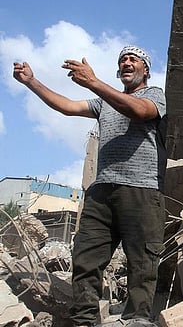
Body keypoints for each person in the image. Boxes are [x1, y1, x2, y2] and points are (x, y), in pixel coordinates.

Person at [13, 45, 168, 326]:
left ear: (146, 69)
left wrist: (94, 82)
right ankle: (84, 321)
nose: (126, 63)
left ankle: (136, 320)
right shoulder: (104, 103)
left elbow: (140, 112)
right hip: (101, 191)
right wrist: (31, 82)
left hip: (141, 191)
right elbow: (67, 106)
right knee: (86, 259)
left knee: (142, 263)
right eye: (122, 60)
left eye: (134, 59)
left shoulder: (154, 95)